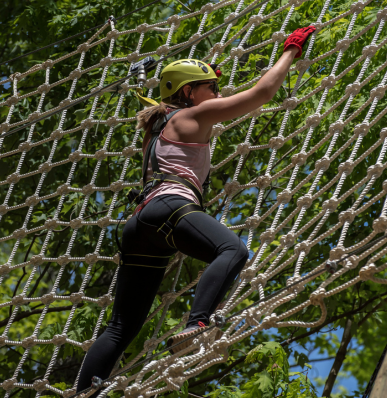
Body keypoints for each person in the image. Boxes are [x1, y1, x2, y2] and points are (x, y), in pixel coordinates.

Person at [76, 26, 315, 396]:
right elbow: (262, 93)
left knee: (120, 327)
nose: (217, 95)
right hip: (171, 207)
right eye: (211, 87)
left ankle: (81, 393)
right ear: (188, 92)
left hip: (141, 224)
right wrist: (290, 51)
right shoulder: (191, 116)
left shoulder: (157, 126)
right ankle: (199, 322)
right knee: (233, 249)